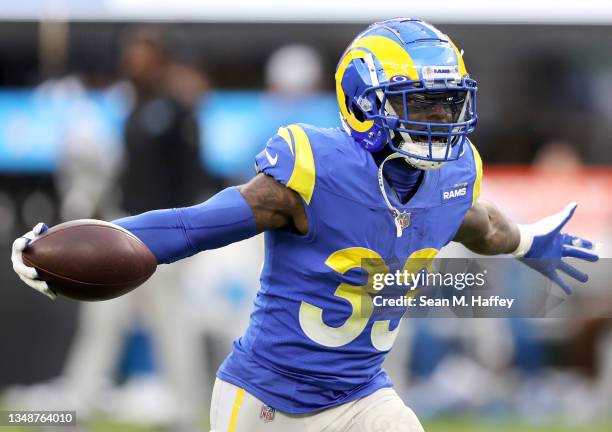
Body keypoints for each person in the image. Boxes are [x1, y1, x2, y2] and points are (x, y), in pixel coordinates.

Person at [11, 19, 599, 431]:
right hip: (270, 403)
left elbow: (481, 223)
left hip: (364, 396)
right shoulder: (315, 172)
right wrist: (100, 241)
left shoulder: (451, 178)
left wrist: (528, 241)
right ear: (366, 104)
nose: (442, 120)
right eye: (421, 104)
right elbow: (194, 226)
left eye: (448, 103)